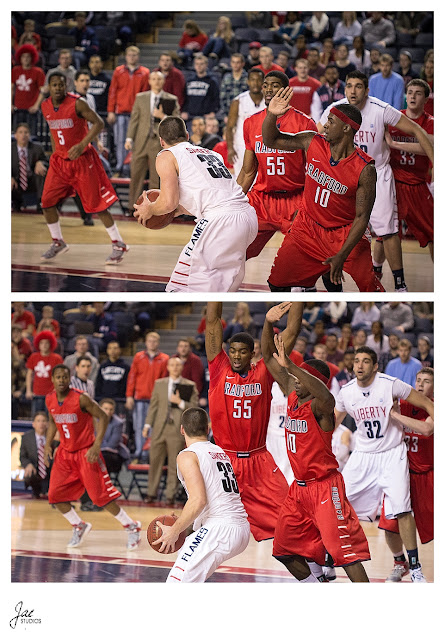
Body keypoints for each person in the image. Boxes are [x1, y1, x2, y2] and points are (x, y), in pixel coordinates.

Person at [261, 314, 370, 582]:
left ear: (316, 381)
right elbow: (266, 357)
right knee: (283, 550)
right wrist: (267, 323)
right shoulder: (291, 393)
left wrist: (294, 367)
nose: (295, 380)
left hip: (325, 486)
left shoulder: (321, 408)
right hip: (298, 489)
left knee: (345, 554)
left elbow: (326, 395)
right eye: (296, 376)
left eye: (303, 378)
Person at [317, 71, 433, 291]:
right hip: (344, 177)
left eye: (358, 86)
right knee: (333, 228)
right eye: (349, 86)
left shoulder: (381, 109)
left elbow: (416, 129)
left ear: (367, 90)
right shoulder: (335, 109)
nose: (353, 90)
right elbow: (316, 136)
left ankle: (400, 285)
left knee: (388, 231)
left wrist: (436, 161)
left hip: (377, 173)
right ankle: (328, 277)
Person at [263, 86, 384, 292]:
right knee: (276, 284)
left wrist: (342, 254)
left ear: (346, 128)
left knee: (369, 289)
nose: (325, 125)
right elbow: (271, 140)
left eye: (330, 121)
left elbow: (362, 218)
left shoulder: (365, 169)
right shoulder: (312, 140)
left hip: (344, 233)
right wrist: (271, 116)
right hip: (307, 226)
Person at [204, 301, 302, 542]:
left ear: (252, 353)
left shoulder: (263, 371)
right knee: (207, 528)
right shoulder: (219, 370)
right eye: (233, 350)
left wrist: (299, 297)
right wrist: (217, 289)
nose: (236, 356)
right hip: (225, 461)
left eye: (242, 351)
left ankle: (317, 570)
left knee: (290, 518)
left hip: (258, 462)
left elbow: (291, 332)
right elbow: (213, 322)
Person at [335, 346, 434, 582]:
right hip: (363, 455)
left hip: (392, 454)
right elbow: (332, 422)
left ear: (376, 365)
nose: (359, 365)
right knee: (336, 504)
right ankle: (330, 559)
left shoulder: (391, 384)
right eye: (356, 361)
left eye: (366, 361)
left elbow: (428, 405)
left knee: (401, 509)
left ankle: (416, 567)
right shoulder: (346, 392)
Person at [133, 116, 257, 292]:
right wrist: (179, 209)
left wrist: (150, 209)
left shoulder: (167, 155)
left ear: (161, 142)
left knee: (178, 288)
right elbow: (211, 194)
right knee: (221, 294)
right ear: (187, 135)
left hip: (220, 221)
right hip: (247, 218)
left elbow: (168, 203)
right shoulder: (212, 154)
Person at [44, 364, 141, 550]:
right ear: (53, 379)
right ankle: (79, 525)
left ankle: (132, 526)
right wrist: (48, 443)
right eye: (58, 377)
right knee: (55, 496)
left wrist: (97, 445)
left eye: (65, 377)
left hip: (85, 452)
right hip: (64, 454)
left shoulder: (81, 398)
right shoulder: (50, 399)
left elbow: (103, 416)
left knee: (99, 497)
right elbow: (52, 422)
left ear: (69, 378)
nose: (62, 380)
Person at [39, 73, 129, 264]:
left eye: (60, 85)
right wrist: (56, 152)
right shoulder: (45, 105)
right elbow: (53, 130)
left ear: (66, 85)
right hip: (60, 162)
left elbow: (99, 123)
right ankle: (57, 241)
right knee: (46, 202)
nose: (57, 88)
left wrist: (82, 145)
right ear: (49, 86)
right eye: (54, 85)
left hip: (82, 160)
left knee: (96, 205)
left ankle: (118, 243)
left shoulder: (77, 103)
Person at [154, 407, 250, 581]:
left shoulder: (187, 455)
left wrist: (174, 531)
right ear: (208, 429)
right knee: (186, 563)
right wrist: (184, 519)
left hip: (221, 528)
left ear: (182, 429)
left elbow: (198, 500)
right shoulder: (220, 452)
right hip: (239, 527)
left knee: (176, 582)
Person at [237, 71, 317, 262]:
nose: (269, 89)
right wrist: (232, 202)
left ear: (286, 91)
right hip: (262, 200)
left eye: (275, 85)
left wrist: (308, 204)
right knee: (236, 251)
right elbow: (248, 171)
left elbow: (315, 172)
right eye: (266, 85)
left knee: (301, 258)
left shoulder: (305, 123)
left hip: (295, 198)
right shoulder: (251, 122)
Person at [378, 367, 434, 581]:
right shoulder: (401, 403)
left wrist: (394, 416)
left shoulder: (434, 407)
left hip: (427, 475)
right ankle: (401, 563)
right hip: (399, 473)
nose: (419, 384)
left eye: (426, 381)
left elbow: (426, 429)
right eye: (418, 380)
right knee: (390, 525)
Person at [385, 79, 434, 260]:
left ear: (426, 99)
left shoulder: (431, 122)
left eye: (418, 93)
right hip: (394, 183)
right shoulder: (395, 118)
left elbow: (431, 146)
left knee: (434, 234)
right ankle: (378, 270)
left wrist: (394, 143)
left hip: (418, 185)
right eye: (410, 92)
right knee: (386, 234)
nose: (412, 96)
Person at [142, 356, 198, 505]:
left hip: (177, 429)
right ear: (167, 367)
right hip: (159, 428)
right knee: (154, 462)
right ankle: (151, 493)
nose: (174, 367)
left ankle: (170, 495)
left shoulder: (189, 385)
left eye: (177, 365)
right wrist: (147, 425)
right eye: (172, 365)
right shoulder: (159, 384)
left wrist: (179, 402)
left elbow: (194, 407)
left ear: (181, 368)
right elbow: (153, 406)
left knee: (175, 464)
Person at [125, 70, 180, 208]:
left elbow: (177, 121)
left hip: (159, 142)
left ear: (163, 81)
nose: (156, 81)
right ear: (149, 81)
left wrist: (163, 116)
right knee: (136, 174)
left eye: (159, 79)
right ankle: (133, 206)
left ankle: (155, 207)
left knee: (157, 177)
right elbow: (134, 120)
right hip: (141, 141)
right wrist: (129, 138)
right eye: (154, 79)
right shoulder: (141, 97)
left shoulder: (171, 99)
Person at [125, 331, 169, 463]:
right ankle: (139, 452)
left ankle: (149, 453)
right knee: (139, 426)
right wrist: (129, 396)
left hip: (155, 399)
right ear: (146, 342)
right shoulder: (138, 357)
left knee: (154, 427)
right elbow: (132, 376)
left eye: (154, 341)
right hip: (139, 397)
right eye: (150, 341)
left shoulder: (164, 358)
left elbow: (164, 380)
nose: (152, 343)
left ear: (158, 343)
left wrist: (161, 398)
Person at [107, 46, 150, 176]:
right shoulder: (118, 71)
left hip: (136, 114)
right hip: (120, 112)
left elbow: (145, 94)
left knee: (136, 141)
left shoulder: (145, 72)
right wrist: (110, 111)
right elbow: (112, 92)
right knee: (120, 141)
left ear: (138, 57)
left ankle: (132, 167)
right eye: (130, 55)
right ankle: (120, 167)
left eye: (134, 55)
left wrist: (144, 113)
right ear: (126, 56)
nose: (132, 57)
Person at [225, 68, 265, 178]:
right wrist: (230, 149)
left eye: (258, 80)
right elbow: (229, 127)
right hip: (242, 146)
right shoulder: (239, 101)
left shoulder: (269, 101)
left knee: (262, 181)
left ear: (263, 82)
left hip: (264, 147)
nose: (255, 83)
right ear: (248, 82)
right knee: (242, 182)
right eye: (252, 80)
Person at [11, 122, 47, 212]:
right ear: (15, 135)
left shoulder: (37, 148)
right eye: (20, 132)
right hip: (16, 180)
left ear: (30, 135)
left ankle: (41, 203)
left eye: (26, 132)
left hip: (32, 181)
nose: (23, 135)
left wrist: (40, 162)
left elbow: (48, 161)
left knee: (41, 173)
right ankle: (15, 203)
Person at [26, 330, 63, 415]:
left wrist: (56, 390)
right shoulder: (33, 357)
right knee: (36, 418)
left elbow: (60, 375)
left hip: (51, 394)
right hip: (36, 393)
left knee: (50, 419)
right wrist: (28, 390)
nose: (44, 345)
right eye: (42, 343)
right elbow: (29, 374)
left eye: (46, 343)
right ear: (38, 344)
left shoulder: (57, 358)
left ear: (51, 344)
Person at [11, 44, 45, 134]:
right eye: (23, 56)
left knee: (32, 135)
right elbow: (11, 88)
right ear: (20, 58)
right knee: (16, 135)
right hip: (17, 109)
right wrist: (10, 104)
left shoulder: (38, 72)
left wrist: (36, 106)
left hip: (31, 110)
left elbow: (42, 91)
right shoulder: (15, 70)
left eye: (28, 56)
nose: (25, 59)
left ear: (32, 58)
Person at [20, 412, 54, 498]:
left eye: (44, 421)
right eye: (38, 421)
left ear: (47, 424)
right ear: (33, 424)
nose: (41, 424)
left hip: (50, 472)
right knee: (29, 473)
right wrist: (28, 464)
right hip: (35, 472)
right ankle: (36, 490)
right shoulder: (26, 437)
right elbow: (22, 457)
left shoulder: (53, 437)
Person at [180, 55, 220, 127]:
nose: (199, 66)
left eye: (201, 64)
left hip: (205, 117)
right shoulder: (189, 80)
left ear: (206, 65)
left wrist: (213, 112)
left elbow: (216, 98)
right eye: (197, 64)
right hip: (189, 116)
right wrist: (184, 111)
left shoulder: (212, 81)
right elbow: (185, 97)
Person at [95, 341, 130, 405]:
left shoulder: (126, 367)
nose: (112, 350)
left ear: (119, 350)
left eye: (115, 348)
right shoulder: (103, 366)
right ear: (107, 350)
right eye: (110, 348)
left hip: (120, 400)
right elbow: (99, 383)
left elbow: (127, 383)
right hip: (104, 399)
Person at [219, 53, 248, 122]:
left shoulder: (248, 78)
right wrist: (225, 115)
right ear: (230, 63)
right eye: (233, 62)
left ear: (243, 64)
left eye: (238, 62)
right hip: (229, 114)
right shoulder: (226, 78)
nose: (235, 65)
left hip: (245, 114)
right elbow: (223, 98)